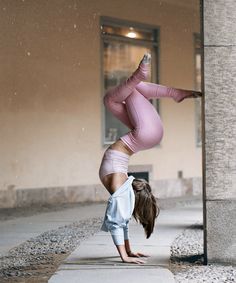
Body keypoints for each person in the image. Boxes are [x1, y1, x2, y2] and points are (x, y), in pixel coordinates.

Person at [99, 54, 201, 264]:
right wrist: (127, 252)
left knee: (113, 99)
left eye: (141, 187)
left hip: (146, 134)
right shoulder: (123, 191)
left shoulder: (121, 194)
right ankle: (170, 91)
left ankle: (153, 81)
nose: (139, 182)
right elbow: (121, 221)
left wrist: (126, 255)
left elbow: (119, 223)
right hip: (145, 134)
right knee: (122, 95)